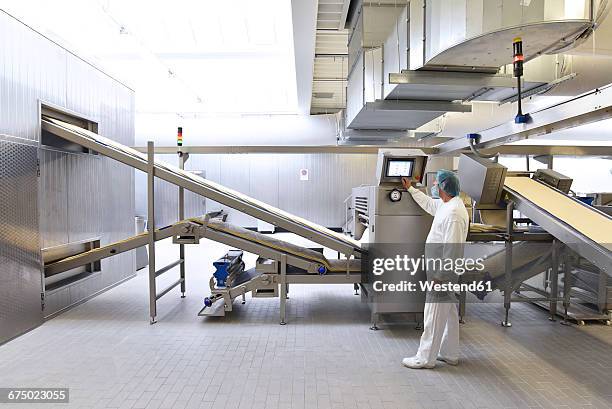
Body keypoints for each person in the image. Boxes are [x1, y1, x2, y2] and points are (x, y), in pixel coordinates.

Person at [400, 170, 469, 369]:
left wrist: (440, 276)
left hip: (442, 273)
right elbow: (429, 204)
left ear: (442, 187)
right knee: (448, 314)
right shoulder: (446, 205)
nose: (433, 186)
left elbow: (453, 249)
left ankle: (425, 358)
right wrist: (411, 189)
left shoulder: (454, 213)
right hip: (441, 271)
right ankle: (450, 353)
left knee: (433, 313)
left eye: (435, 184)